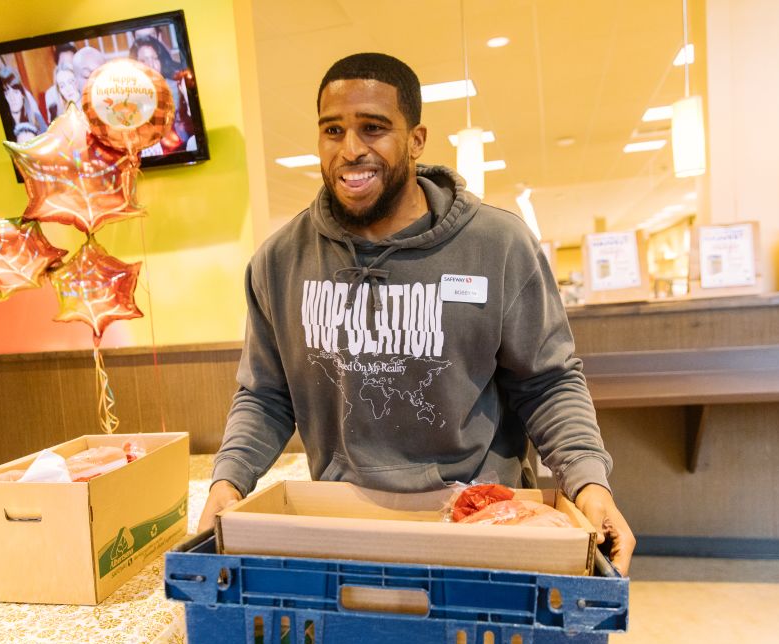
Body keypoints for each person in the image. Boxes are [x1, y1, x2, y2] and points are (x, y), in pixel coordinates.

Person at [197, 53, 635, 574]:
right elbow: (266, 395)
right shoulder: (279, 261)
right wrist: (228, 481)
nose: (351, 149)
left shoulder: (497, 245)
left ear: (417, 139)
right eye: (332, 129)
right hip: (347, 534)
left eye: (373, 128)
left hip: (486, 528)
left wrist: (587, 480)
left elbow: (548, 383)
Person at [0, 65, 45, 132]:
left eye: (16, 92)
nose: (12, 98)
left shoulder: (35, 118)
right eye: (7, 94)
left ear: (22, 94)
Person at [43, 42, 77, 124]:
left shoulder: (83, 84)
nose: (67, 66)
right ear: (57, 65)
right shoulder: (51, 94)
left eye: (70, 62)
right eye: (63, 63)